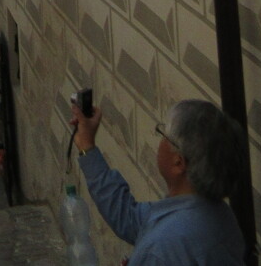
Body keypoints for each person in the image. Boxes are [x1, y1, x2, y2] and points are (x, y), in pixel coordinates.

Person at [69, 94, 245, 264]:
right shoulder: (219, 214)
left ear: (179, 162)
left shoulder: (160, 248)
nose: (160, 141)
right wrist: (87, 146)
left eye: (163, 135)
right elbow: (128, 217)